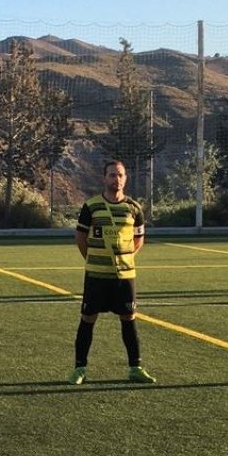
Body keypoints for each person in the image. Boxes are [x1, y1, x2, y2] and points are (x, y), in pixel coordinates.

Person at [68, 160, 155, 385]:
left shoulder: (133, 208)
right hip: (96, 275)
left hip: (125, 276)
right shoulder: (91, 207)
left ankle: (135, 367)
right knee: (88, 318)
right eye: (112, 175)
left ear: (125, 179)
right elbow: (80, 238)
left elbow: (138, 239)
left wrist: (125, 258)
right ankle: (80, 369)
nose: (116, 179)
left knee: (129, 318)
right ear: (104, 178)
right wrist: (94, 259)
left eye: (120, 175)